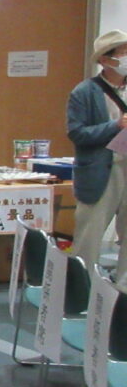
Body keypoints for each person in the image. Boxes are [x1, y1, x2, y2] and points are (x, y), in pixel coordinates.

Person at [68, 29, 127, 283]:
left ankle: (123, 292)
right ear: (105, 59)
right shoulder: (85, 91)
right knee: (89, 237)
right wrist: (116, 125)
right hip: (100, 171)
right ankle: (81, 290)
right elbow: (77, 133)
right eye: (123, 53)